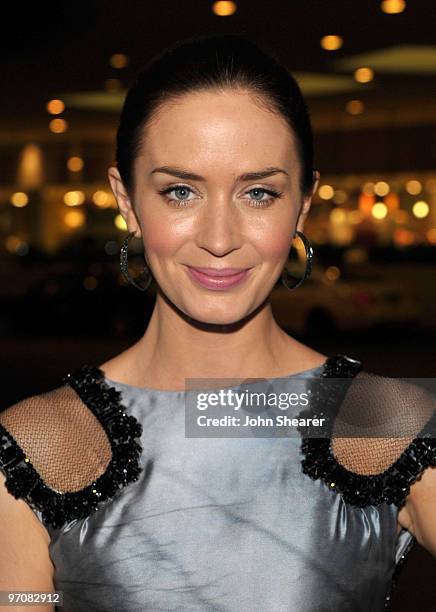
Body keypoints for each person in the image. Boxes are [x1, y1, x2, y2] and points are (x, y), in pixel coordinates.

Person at [1, 33, 435, 612]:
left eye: (258, 193)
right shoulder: (40, 443)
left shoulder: (382, 422)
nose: (220, 238)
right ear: (126, 200)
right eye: (180, 191)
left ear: (303, 203)